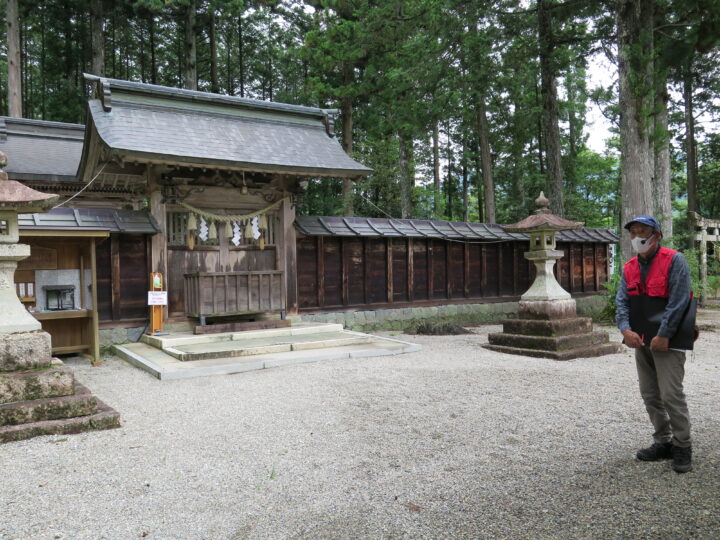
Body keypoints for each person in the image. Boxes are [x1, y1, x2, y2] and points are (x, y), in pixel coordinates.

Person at [616, 215, 694, 473]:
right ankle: (662, 441)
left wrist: (665, 333)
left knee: (671, 394)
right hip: (641, 340)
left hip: (668, 341)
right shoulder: (629, 267)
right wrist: (625, 329)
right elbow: (622, 302)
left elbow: (680, 300)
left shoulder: (674, 260)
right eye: (633, 232)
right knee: (650, 394)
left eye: (643, 231)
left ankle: (682, 445)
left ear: (657, 235)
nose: (638, 236)